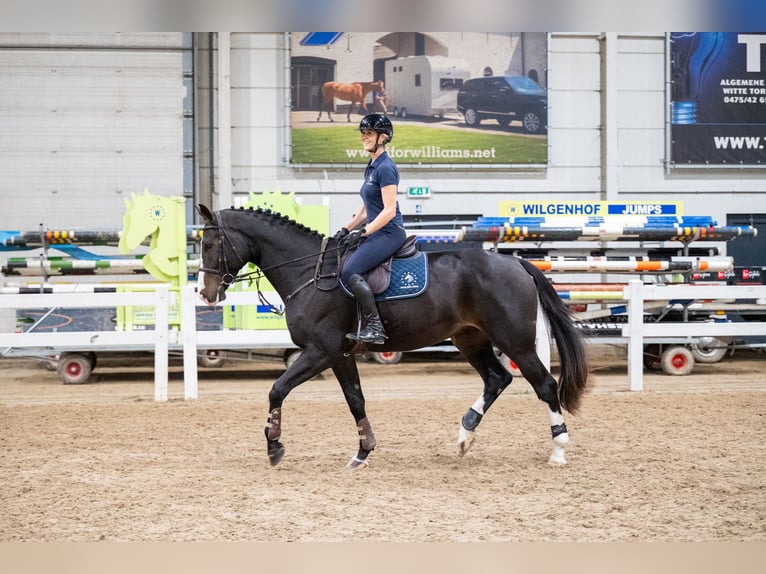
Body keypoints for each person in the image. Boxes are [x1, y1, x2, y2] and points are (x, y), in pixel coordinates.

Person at [334, 114, 406, 344]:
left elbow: (389, 211)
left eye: (370, 134)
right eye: (363, 134)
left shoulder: (386, 168)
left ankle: (375, 327)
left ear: (383, 137)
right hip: (376, 231)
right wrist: (345, 229)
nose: (364, 137)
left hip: (389, 232)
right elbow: (366, 210)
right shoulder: (372, 166)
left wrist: (363, 233)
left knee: (350, 271)